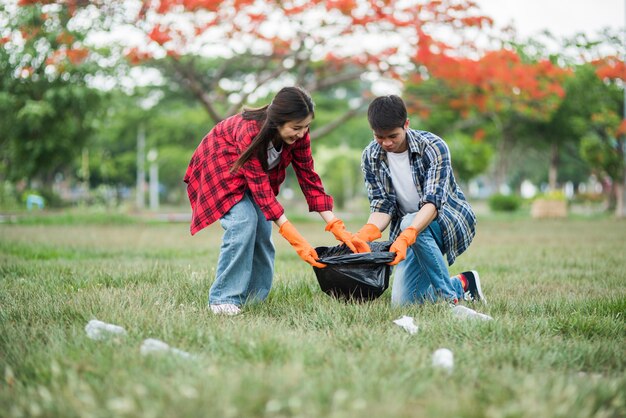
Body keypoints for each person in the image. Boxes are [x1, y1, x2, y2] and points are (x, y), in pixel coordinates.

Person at [184, 86, 369, 316]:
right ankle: (223, 299)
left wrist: (337, 227)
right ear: (277, 122)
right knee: (244, 222)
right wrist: (295, 237)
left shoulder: (300, 135)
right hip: (222, 170)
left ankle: (253, 299)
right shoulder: (249, 130)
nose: (301, 134)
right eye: (296, 128)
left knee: (262, 231)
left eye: (306, 126)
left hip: (255, 178)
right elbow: (260, 186)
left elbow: (309, 178)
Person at [353, 95, 486, 307]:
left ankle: (450, 299)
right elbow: (382, 205)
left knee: (408, 222)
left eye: (393, 136)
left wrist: (409, 232)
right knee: (403, 303)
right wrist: (365, 234)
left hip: (445, 222)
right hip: (409, 234)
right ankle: (462, 284)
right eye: (380, 137)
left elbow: (433, 203)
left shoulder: (433, 147)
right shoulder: (370, 155)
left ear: (406, 124)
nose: (386, 143)